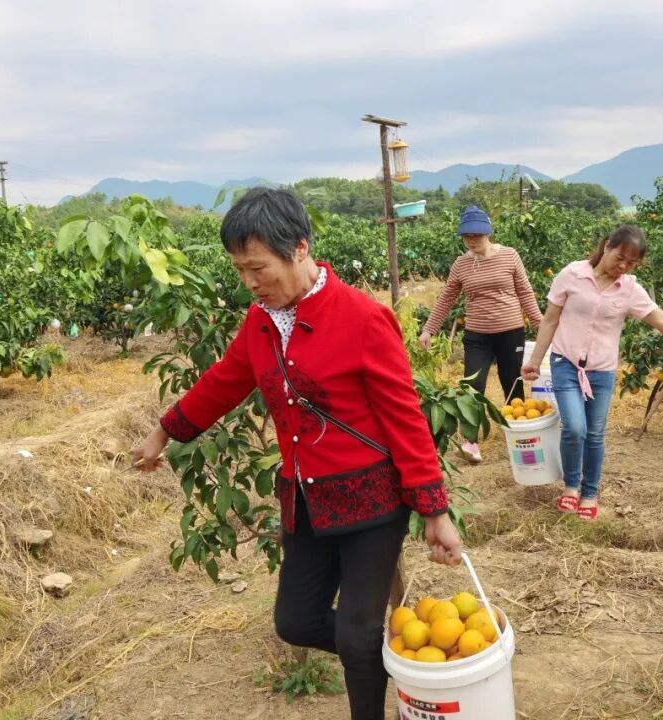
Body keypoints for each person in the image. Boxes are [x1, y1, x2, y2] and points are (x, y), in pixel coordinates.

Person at [132, 188, 462, 720]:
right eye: (241, 270)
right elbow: (225, 380)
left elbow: (405, 419)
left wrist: (434, 511)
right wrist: (165, 431)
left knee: (356, 634)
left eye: (258, 268)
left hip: (370, 502)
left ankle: (378, 685)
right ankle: (396, 660)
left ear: (300, 249)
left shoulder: (362, 317)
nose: (250, 283)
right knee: (296, 620)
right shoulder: (260, 321)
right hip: (306, 502)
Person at [522, 225, 663, 521]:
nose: (623, 267)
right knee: (574, 428)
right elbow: (550, 320)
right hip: (566, 365)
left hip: (601, 372)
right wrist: (535, 360)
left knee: (594, 434)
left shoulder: (629, 288)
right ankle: (571, 487)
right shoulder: (572, 275)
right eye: (620, 258)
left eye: (632, 263)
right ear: (607, 245)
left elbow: (661, 320)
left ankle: (589, 493)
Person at [420, 205, 544, 463]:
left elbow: (525, 292)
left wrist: (541, 325)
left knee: (513, 384)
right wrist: (429, 329)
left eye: (477, 234)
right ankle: (470, 443)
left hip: (510, 332)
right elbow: (447, 298)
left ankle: (519, 441)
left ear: (489, 233)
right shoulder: (461, 264)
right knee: (471, 388)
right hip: (478, 335)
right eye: (467, 236)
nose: (472, 240)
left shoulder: (510, 256)